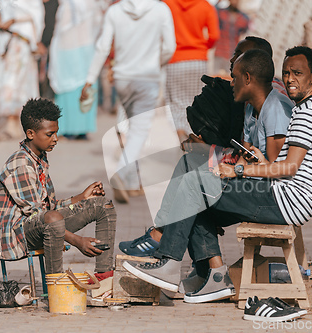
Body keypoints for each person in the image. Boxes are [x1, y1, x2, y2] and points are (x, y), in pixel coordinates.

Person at [123, 47, 312, 305]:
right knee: (195, 195)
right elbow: (284, 163)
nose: (290, 79)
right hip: (281, 196)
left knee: (194, 183)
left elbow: (289, 168)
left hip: (284, 201)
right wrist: (255, 159)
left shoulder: (307, 112)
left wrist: (238, 169)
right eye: (287, 73)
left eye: (298, 74)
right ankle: (213, 277)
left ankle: (169, 263)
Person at [119, 41, 293, 261]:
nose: (231, 73)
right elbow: (246, 153)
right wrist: (213, 154)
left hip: (270, 194)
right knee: (190, 167)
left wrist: (230, 166)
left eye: (237, 71)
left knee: (193, 188)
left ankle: (169, 258)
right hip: (254, 180)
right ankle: (208, 272)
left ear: (250, 74)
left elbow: (274, 167)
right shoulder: (252, 106)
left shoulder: (275, 106)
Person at [0, 98, 116, 276]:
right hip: (17, 237)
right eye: (49, 134)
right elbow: (41, 215)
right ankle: (56, 286)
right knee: (52, 219)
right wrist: (78, 241)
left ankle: (104, 279)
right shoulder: (21, 164)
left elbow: (49, 209)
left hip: (43, 223)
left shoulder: (40, 158)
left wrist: (82, 197)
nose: (55, 139)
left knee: (102, 205)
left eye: (56, 133)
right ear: (31, 133)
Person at [81, 0, 176, 202]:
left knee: (133, 129)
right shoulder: (161, 9)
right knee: (139, 131)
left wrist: (90, 79)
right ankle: (122, 174)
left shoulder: (115, 11)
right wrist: (155, 63)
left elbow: (102, 47)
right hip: (147, 78)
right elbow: (170, 47)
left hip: (122, 79)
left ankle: (132, 184)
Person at [164, 0, 220, 142]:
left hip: (174, 60)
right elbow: (214, 35)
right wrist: (202, 48)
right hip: (198, 60)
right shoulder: (206, 6)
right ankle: (194, 135)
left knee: (176, 103)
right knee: (196, 100)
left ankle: (181, 133)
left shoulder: (167, 4)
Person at [48, 0, 105, 140]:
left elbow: (61, 29)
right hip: (85, 49)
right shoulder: (91, 4)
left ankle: (68, 129)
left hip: (67, 51)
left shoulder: (69, 5)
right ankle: (81, 130)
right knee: (82, 88)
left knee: (69, 90)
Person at [0, 0, 45, 139]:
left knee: (16, 83)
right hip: (8, 41)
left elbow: (36, 15)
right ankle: (12, 124)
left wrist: (14, 20)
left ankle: (14, 124)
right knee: (9, 81)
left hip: (22, 42)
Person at [213, 0, 250, 75]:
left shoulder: (244, 18)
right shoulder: (221, 13)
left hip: (232, 54)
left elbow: (245, 32)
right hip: (220, 52)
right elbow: (212, 10)